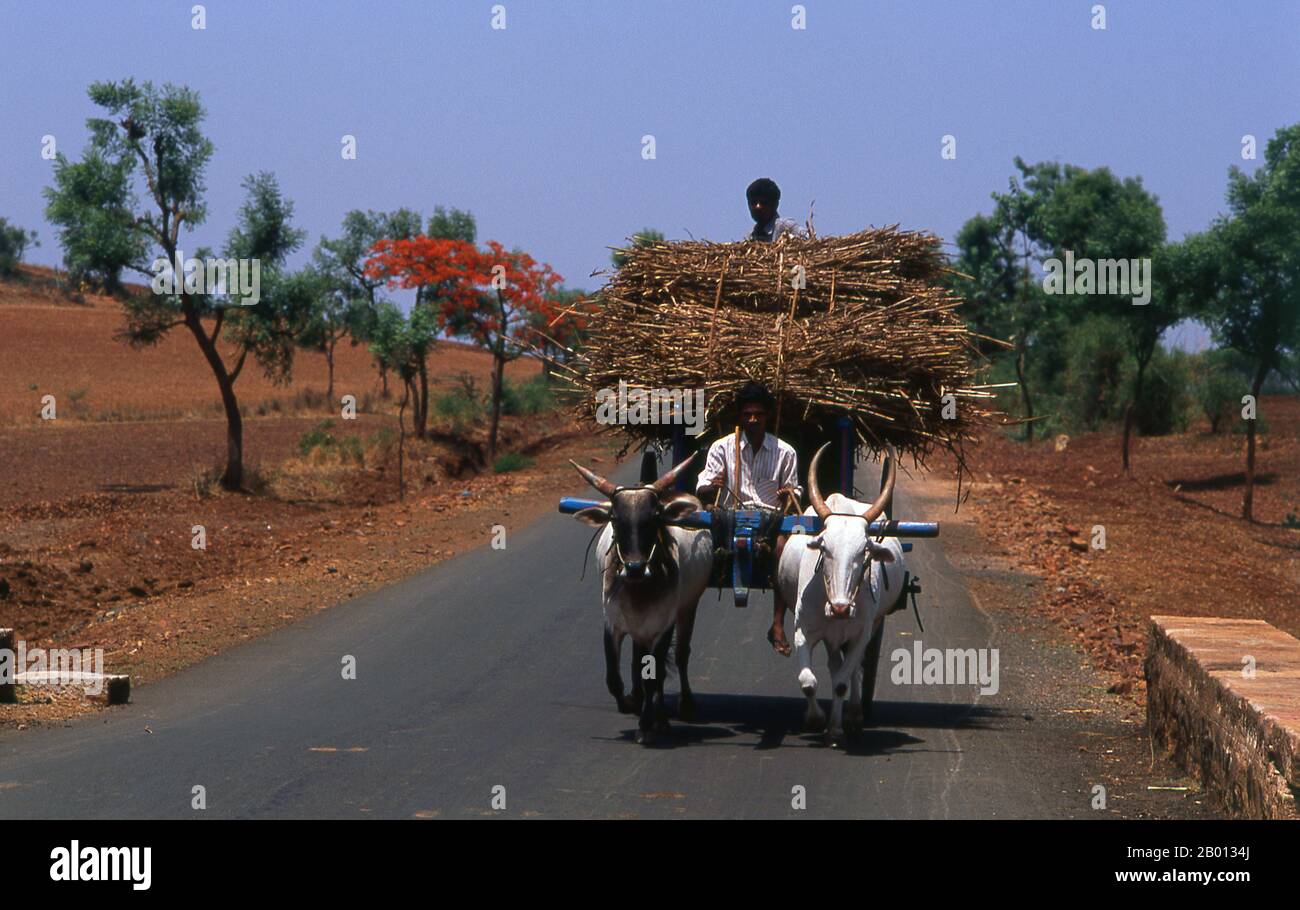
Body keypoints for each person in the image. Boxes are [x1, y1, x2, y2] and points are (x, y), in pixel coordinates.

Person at [695, 382, 802, 656]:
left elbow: (795, 489)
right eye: (747, 414)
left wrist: (788, 493)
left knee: (783, 550)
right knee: (692, 550)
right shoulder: (722, 448)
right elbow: (702, 486)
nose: (752, 420)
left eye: (758, 414)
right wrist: (712, 486)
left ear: (767, 415)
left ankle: (777, 624)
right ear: (739, 417)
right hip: (727, 519)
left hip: (770, 520)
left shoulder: (785, 452)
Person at [746, 177, 807, 243]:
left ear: (775, 205)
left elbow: (809, 239)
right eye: (753, 202)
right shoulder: (751, 236)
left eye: (763, 203)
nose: (758, 207)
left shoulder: (786, 227)